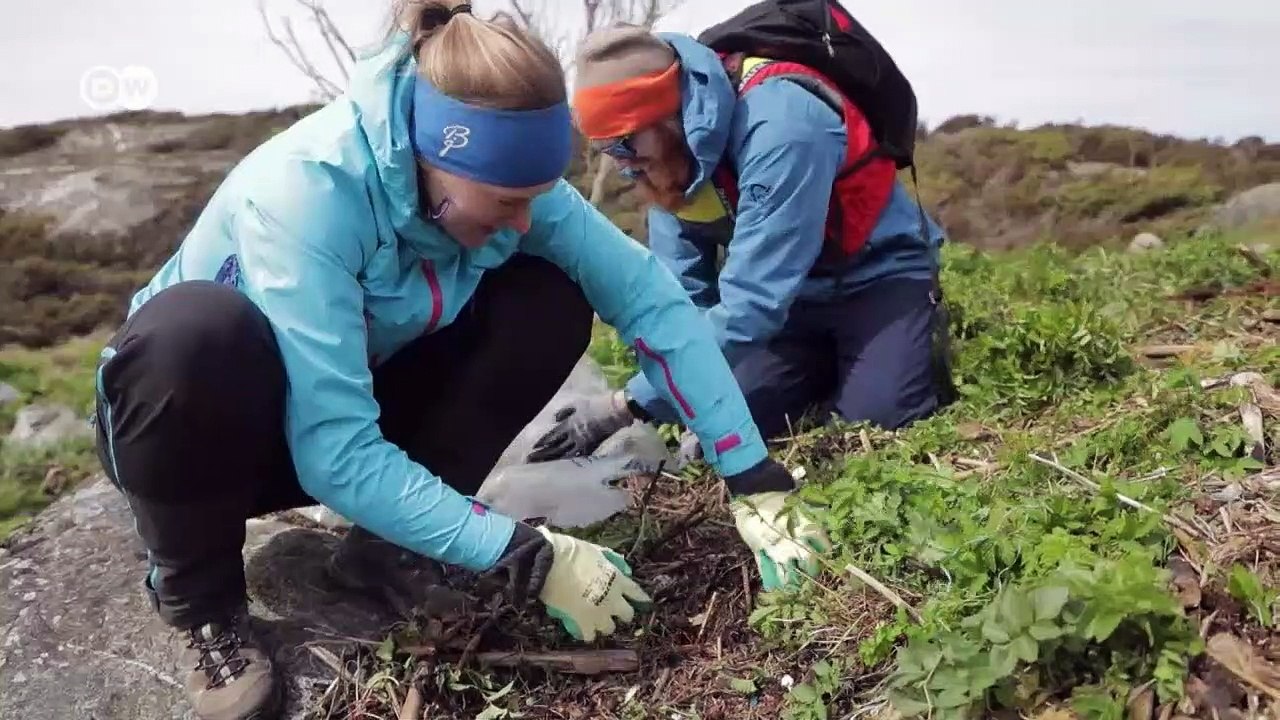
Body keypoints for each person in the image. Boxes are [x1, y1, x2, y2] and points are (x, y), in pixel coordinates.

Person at [90, 3, 830, 719]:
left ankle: (382, 548)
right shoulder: (306, 193)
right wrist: (522, 551)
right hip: (201, 431)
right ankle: (205, 609)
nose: (524, 219)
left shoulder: (507, 189)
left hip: (339, 408)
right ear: (436, 159)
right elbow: (334, 452)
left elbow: (652, 302)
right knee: (192, 334)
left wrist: (751, 473)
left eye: (536, 199)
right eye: (506, 201)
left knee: (546, 296)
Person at [525, 23, 956, 465]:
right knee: (722, 428)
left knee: (873, 428)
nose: (623, 164)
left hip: (878, 278)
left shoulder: (781, 124)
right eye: (606, 149)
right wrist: (684, 399)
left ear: (665, 114)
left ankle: (895, 349)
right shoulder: (665, 159)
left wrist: (623, 406)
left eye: (625, 142)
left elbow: (752, 304)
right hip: (795, 307)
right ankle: (828, 367)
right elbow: (680, 300)